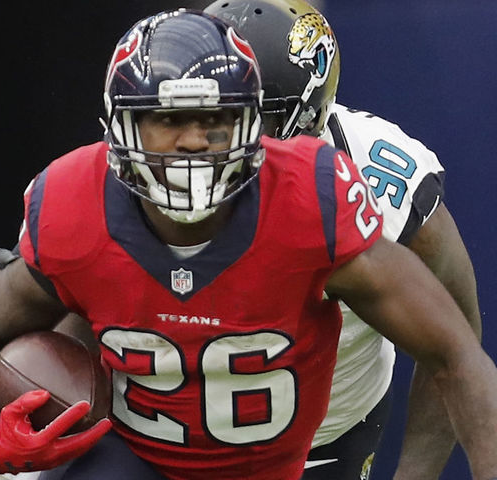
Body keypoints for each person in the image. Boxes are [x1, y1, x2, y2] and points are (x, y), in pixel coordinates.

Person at [0, 9, 497, 480]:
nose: (192, 147)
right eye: (165, 121)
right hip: (141, 443)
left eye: (220, 120)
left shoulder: (328, 193)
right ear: (119, 128)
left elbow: (456, 348)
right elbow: (44, 315)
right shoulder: (77, 200)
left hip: (324, 426)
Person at [202, 1, 483, 478]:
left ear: (301, 115)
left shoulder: (383, 183)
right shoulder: (149, 166)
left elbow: (457, 339)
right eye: (200, 111)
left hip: (327, 439)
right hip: (175, 433)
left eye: (240, 115)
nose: (204, 141)